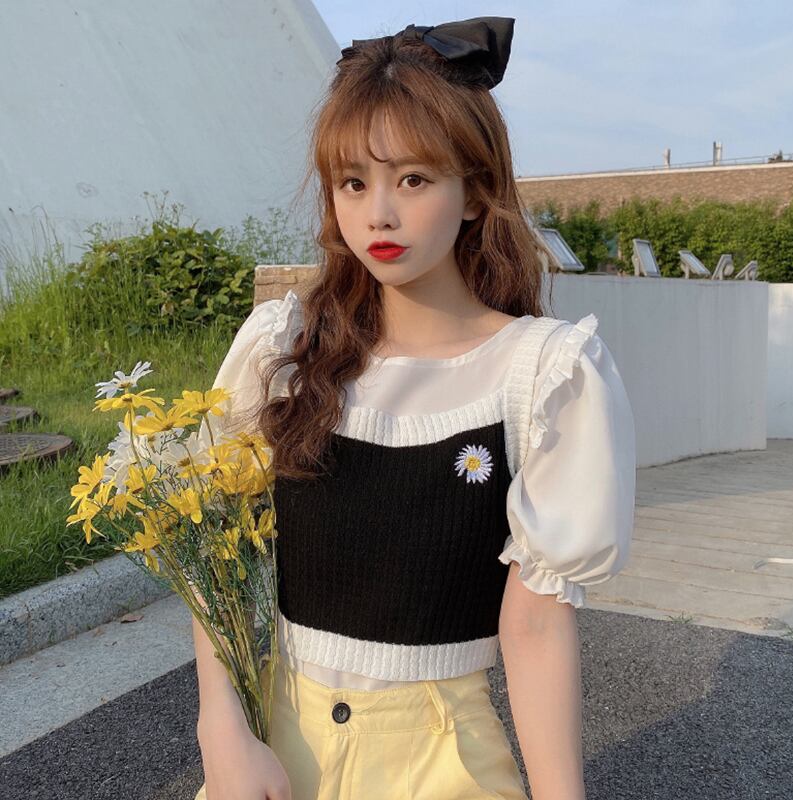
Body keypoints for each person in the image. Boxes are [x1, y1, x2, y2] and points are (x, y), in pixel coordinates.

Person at [193, 15, 636, 800]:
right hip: (272, 751)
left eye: (413, 180)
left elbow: (535, 625)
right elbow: (217, 553)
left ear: (476, 192)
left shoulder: (542, 375)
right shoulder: (282, 349)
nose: (379, 215)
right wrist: (220, 732)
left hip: (443, 761)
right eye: (353, 183)